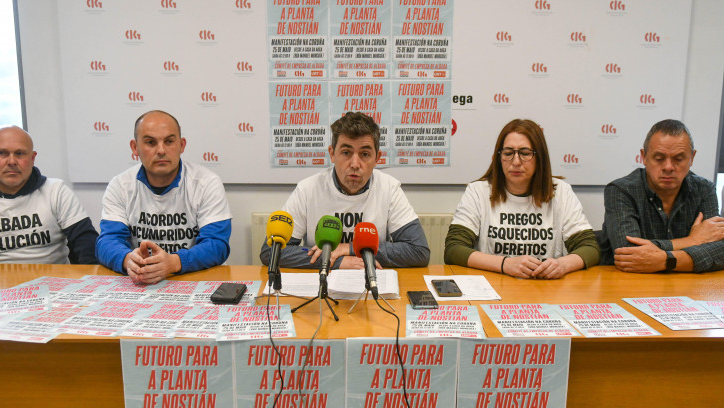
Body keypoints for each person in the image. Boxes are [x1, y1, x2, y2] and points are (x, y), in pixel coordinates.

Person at [260, 111, 429, 269]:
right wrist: (336, 261)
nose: (355, 164)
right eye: (346, 152)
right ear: (332, 154)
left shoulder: (389, 188)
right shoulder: (308, 189)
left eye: (364, 154)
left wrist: (348, 248)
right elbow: (271, 252)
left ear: (377, 158)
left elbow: (418, 251)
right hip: (322, 282)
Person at [444, 119, 599, 279]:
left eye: (525, 153)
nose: (516, 162)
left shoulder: (560, 192)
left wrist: (562, 265)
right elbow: (454, 249)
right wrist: (505, 264)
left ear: (540, 157)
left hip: (544, 287)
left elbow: (589, 248)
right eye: (508, 153)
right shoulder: (478, 191)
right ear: (499, 157)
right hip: (494, 285)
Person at [96, 110, 232, 284]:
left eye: (169, 141)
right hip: (141, 281)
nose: (161, 150)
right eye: (150, 142)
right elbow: (107, 241)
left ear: (182, 145)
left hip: (194, 279)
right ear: (135, 148)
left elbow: (217, 244)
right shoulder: (120, 185)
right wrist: (126, 259)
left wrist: (174, 262)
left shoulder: (206, 183)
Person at [599, 119, 724, 273]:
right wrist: (693, 240)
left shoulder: (704, 189)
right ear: (644, 157)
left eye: (678, 159)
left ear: (692, 158)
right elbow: (629, 252)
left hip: (684, 285)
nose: (668, 167)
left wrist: (666, 260)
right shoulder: (621, 190)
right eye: (659, 159)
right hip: (629, 283)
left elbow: (720, 249)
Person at [0, 126, 98, 264]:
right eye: (2, 153)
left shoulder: (56, 191)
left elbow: (87, 244)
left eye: (19, 153)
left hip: (54, 282)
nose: (12, 161)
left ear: (32, 158)